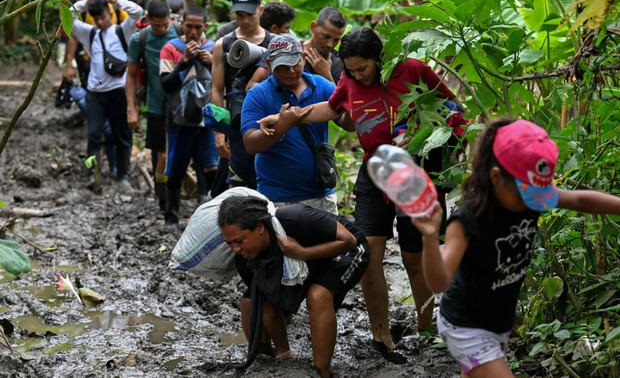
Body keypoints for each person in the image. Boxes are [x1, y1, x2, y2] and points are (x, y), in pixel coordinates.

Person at [258, 27, 468, 361]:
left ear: (379, 60)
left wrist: (436, 142)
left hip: (417, 171)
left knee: (414, 255)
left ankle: (426, 327)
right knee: (369, 252)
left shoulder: (411, 70)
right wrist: (285, 119)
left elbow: (453, 109)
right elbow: (330, 107)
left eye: (362, 69)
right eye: (351, 71)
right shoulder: (351, 82)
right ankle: (381, 336)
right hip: (375, 170)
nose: (356, 76)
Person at [410, 118, 620, 377]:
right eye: (528, 194)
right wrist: (430, 239)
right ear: (496, 177)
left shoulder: (531, 196)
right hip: (465, 327)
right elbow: (440, 282)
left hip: (497, 322)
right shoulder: (467, 221)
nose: (536, 201)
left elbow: (579, 199)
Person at [217, 195, 370, 378]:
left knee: (317, 295)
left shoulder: (295, 218)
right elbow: (266, 301)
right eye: (229, 243)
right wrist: (282, 351)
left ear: (259, 228)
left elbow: (349, 241)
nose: (235, 249)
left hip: (346, 251)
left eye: (240, 241)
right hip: (306, 262)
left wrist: (302, 252)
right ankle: (270, 360)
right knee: (251, 301)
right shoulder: (245, 257)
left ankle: (322, 372)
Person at [241, 34, 339, 214]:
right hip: (276, 197)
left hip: (320, 195)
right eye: (282, 68)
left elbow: (347, 121)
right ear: (269, 65)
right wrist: (281, 127)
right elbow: (250, 144)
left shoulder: (322, 86)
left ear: (303, 57)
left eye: (295, 63)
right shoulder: (257, 94)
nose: (291, 71)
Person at [70, 0, 143, 190]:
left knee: (122, 135)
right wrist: (83, 4)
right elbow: (67, 17)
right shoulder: (90, 33)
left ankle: (123, 176)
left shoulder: (123, 31)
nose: (101, 22)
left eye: (104, 17)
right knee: (94, 133)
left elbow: (138, 12)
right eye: (97, 19)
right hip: (95, 93)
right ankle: (93, 174)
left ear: (109, 13)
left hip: (119, 91)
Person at [159, 5, 218, 229]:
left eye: (198, 27)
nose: (193, 32)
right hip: (178, 120)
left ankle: (206, 218)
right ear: (181, 24)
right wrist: (184, 61)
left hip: (207, 119)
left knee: (209, 166)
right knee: (175, 167)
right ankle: (171, 217)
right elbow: (166, 84)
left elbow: (224, 81)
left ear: (205, 27)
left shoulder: (213, 48)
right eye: (189, 26)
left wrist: (210, 62)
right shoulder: (170, 49)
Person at [211, 0, 273, 191]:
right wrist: (219, 132)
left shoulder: (275, 43)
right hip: (238, 123)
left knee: (267, 180)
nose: (244, 20)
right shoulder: (223, 44)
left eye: (249, 15)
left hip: (270, 122)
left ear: (260, 10)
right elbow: (217, 88)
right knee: (237, 182)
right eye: (239, 15)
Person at [126, 0, 180, 212]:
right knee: (161, 154)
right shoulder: (140, 39)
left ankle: (175, 193)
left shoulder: (180, 31)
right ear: (148, 19)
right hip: (156, 103)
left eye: (165, 24)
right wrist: (132, 108)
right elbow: (130, 75)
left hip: (181, 104)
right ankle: (162, 198)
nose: (161, 29)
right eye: (157, 25)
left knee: (178, 151)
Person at [303, 8, 346, 84]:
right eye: (326, 37)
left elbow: (342, 96)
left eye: (336, 40)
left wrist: (327, 76)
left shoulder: (341, 63)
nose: (330, 44)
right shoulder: (294, 53)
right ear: (313, 27)